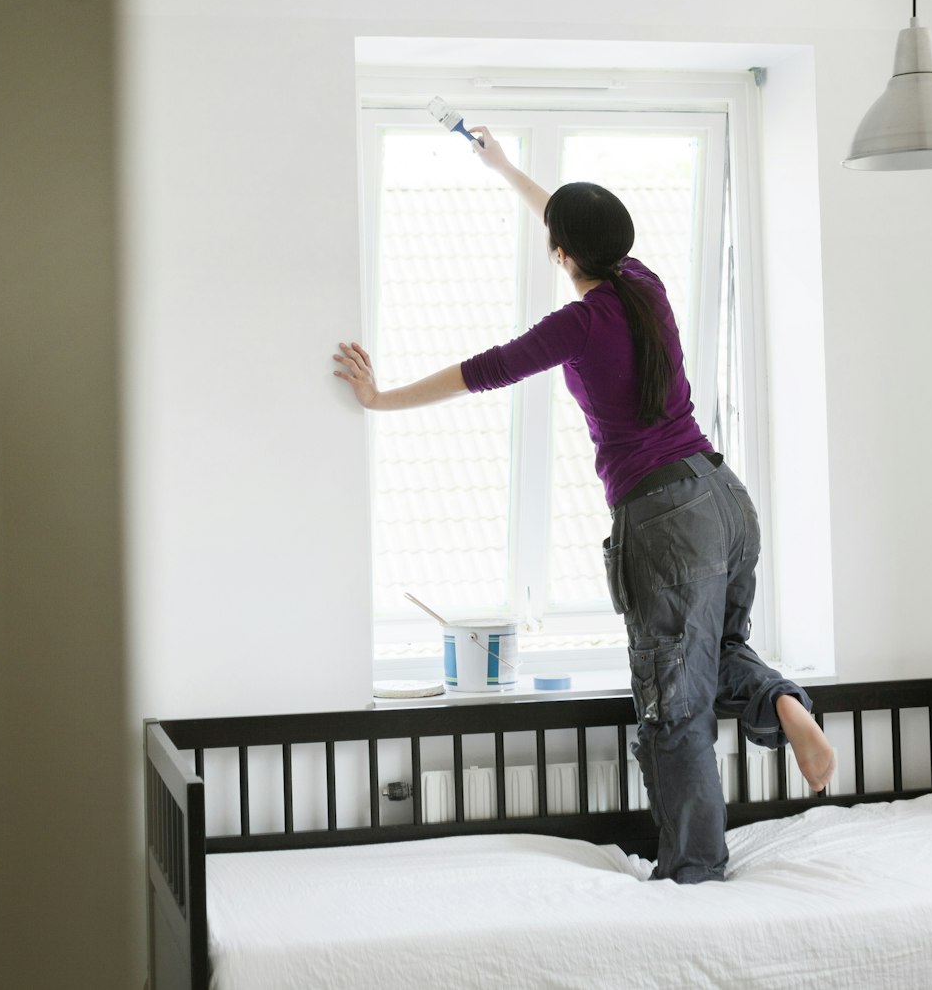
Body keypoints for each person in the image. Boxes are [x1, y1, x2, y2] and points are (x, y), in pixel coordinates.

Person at [330, 126, 835, 883]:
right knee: (719, 652)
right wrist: (504, 167)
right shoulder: (645, 283)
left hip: (664, 519)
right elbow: (574, 229)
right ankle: (784, 704)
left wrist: (377, 399)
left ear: (561, 252)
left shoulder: (582, 320)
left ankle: (695, 874)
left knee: (674, 708)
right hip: (724, 496)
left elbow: (482, 371)